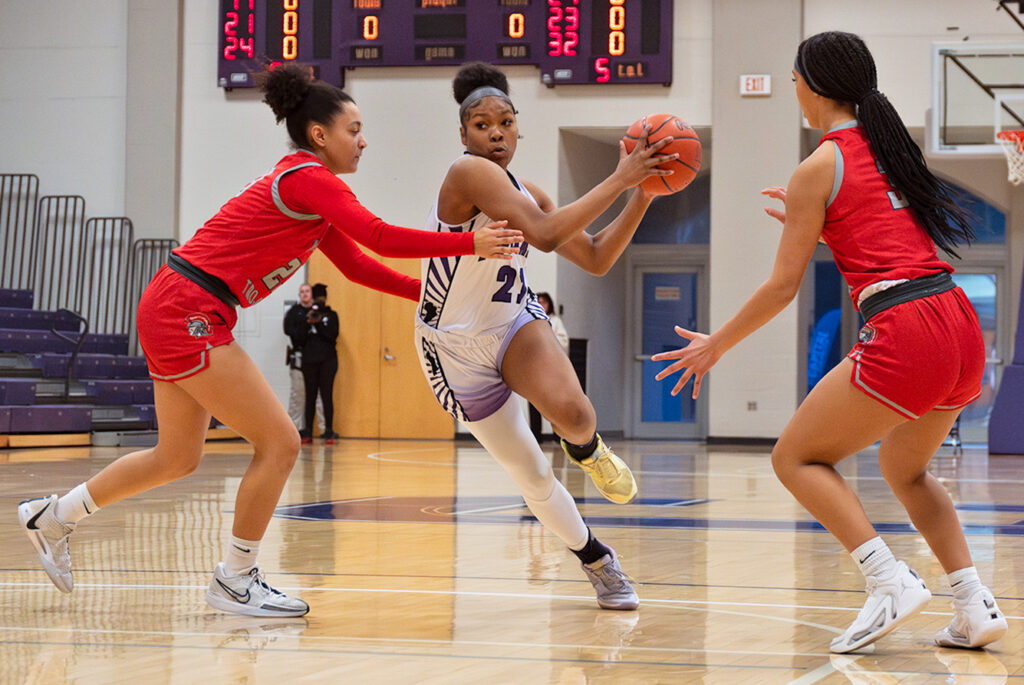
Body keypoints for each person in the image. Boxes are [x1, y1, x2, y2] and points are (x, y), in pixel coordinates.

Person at [17, 63, 522, 618]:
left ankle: (53, 516)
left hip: (179, 304)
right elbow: (378, 235)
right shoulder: (307, 177)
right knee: (281, 441)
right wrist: (466, 244)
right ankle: (236, 578)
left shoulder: (314, 193)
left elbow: (359, 267)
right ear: (319, 135)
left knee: (177, 457)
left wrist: (433, 299)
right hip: (188, 307)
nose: (363, 140)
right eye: (353, 130)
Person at [652, 31, 1007, 652]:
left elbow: (782, 287)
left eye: (793, 81)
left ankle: (888, 580)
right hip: (956, 321)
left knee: (795, 457)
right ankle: (974, 603)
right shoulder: (891, 150)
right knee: (907, 470)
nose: (794, 93)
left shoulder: (819, 165)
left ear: (813, 85)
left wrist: (717, 344)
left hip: (906, 326)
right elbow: (888, 240)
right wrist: (823, 226)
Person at [414, 62, 675, 610]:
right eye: (482, 124)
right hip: (454, 348)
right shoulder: (467, 173)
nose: (495, 134)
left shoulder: (525, 189)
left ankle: (587, 448)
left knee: (576, 415)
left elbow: (598, 257)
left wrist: (643, 195)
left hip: (511, 322)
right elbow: (547, 236)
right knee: (531, 475)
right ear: (464, 135)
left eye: (505, 122)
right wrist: (623, 177)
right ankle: (597, 559)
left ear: (518, 129)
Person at [293, 282, 339, 444]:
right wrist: (307, 323)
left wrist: (319, 324)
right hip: (309, 360)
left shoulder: (331, 315)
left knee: (326, 395)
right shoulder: (306, 315)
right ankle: (308, 432)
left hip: (328, 361)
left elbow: (332, 336)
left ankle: (328, 431)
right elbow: (298, 338)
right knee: (310, 396)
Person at [283, 282, 324, 435]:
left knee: (320, 396)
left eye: (307, 291)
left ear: (312, 294)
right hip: (300, 357)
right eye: (302, 292)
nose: (305, 294)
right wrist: (305, 323)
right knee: (297, 395)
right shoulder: (294, 312)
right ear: (299, 295)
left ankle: (324, 430)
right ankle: (291, 431)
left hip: (318, 358)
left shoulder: (321, 310)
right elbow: (288, 330)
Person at [529, 292, 569, 440]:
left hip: (552, 367)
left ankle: (558, 435)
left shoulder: (555, 321)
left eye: (544, 302)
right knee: (534, 402)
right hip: (534, 367)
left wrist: (547, 341)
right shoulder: (530, 320)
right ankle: (536, 436)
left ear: (549, 305)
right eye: (538, 302)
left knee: (555, 402)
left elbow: (563, 342)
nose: (541, 305)